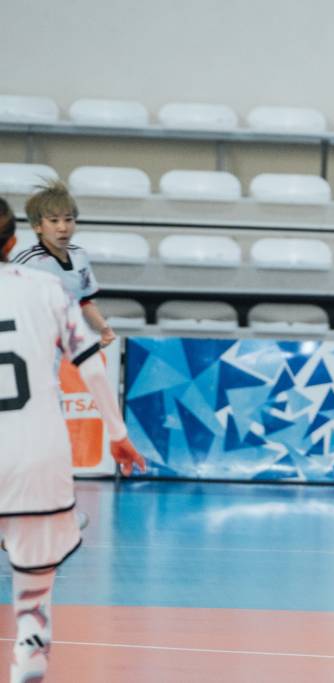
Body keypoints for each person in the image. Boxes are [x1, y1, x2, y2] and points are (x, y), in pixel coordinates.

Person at [0, 198, 146, 683]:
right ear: (12, 241)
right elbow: (90, 365)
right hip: (33, 454)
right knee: (34, 580)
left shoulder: (60, 272)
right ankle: (29, 655)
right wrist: (119, 435)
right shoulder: (44, 288)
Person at [13, 180, 116, 347]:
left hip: (68, 343)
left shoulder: (80, 256)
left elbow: (83, 300)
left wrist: (103, 328)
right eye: (54, 221)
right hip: (33, 344)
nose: (63, 227)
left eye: (68, 219)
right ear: (37, 226)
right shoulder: (26, 262)